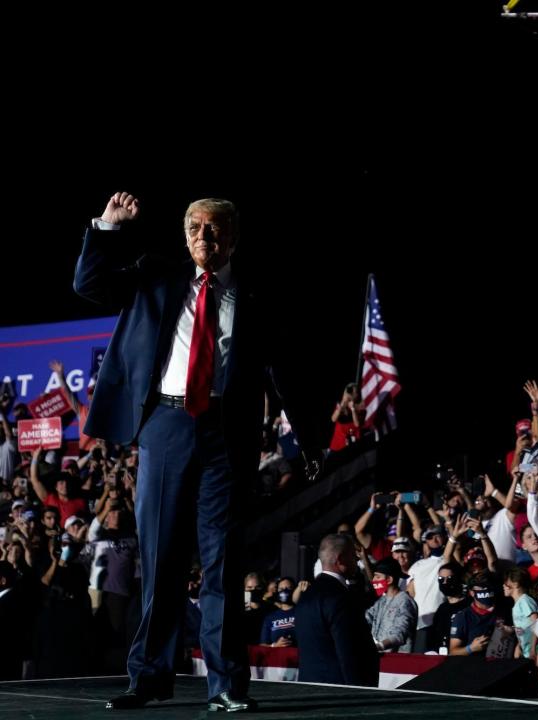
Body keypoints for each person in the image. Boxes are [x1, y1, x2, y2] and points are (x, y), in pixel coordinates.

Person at [76, 192, 323, 712]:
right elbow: (89, 284)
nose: (203, 240)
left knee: (222, 563)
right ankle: (147, 679)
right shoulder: (156, 275)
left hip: (226, 434)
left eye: (214, 231)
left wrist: (308, 438)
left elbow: (287, 371)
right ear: (184, 236)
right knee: (162, 558)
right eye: (194, 230)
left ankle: (227, 685)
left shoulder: (255, 294)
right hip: (165, 426)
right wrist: (108, 227)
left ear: (233, 237)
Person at [295, 534, 379, 684]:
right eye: (354, 556)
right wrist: (359, 692)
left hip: (308, 685)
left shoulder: (305, 596)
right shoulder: (341, 598)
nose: (357, 560)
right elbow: (349, 652)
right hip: (340, 691)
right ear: (340, 560)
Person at [366, 557, 417, 652]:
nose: (373, 580)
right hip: (379, 658)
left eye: (377, 577)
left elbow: (400, 633)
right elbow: (366, 619)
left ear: (389, 579)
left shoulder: (405, 602)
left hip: (397, 661)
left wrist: (379, 646)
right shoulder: (381, 601)